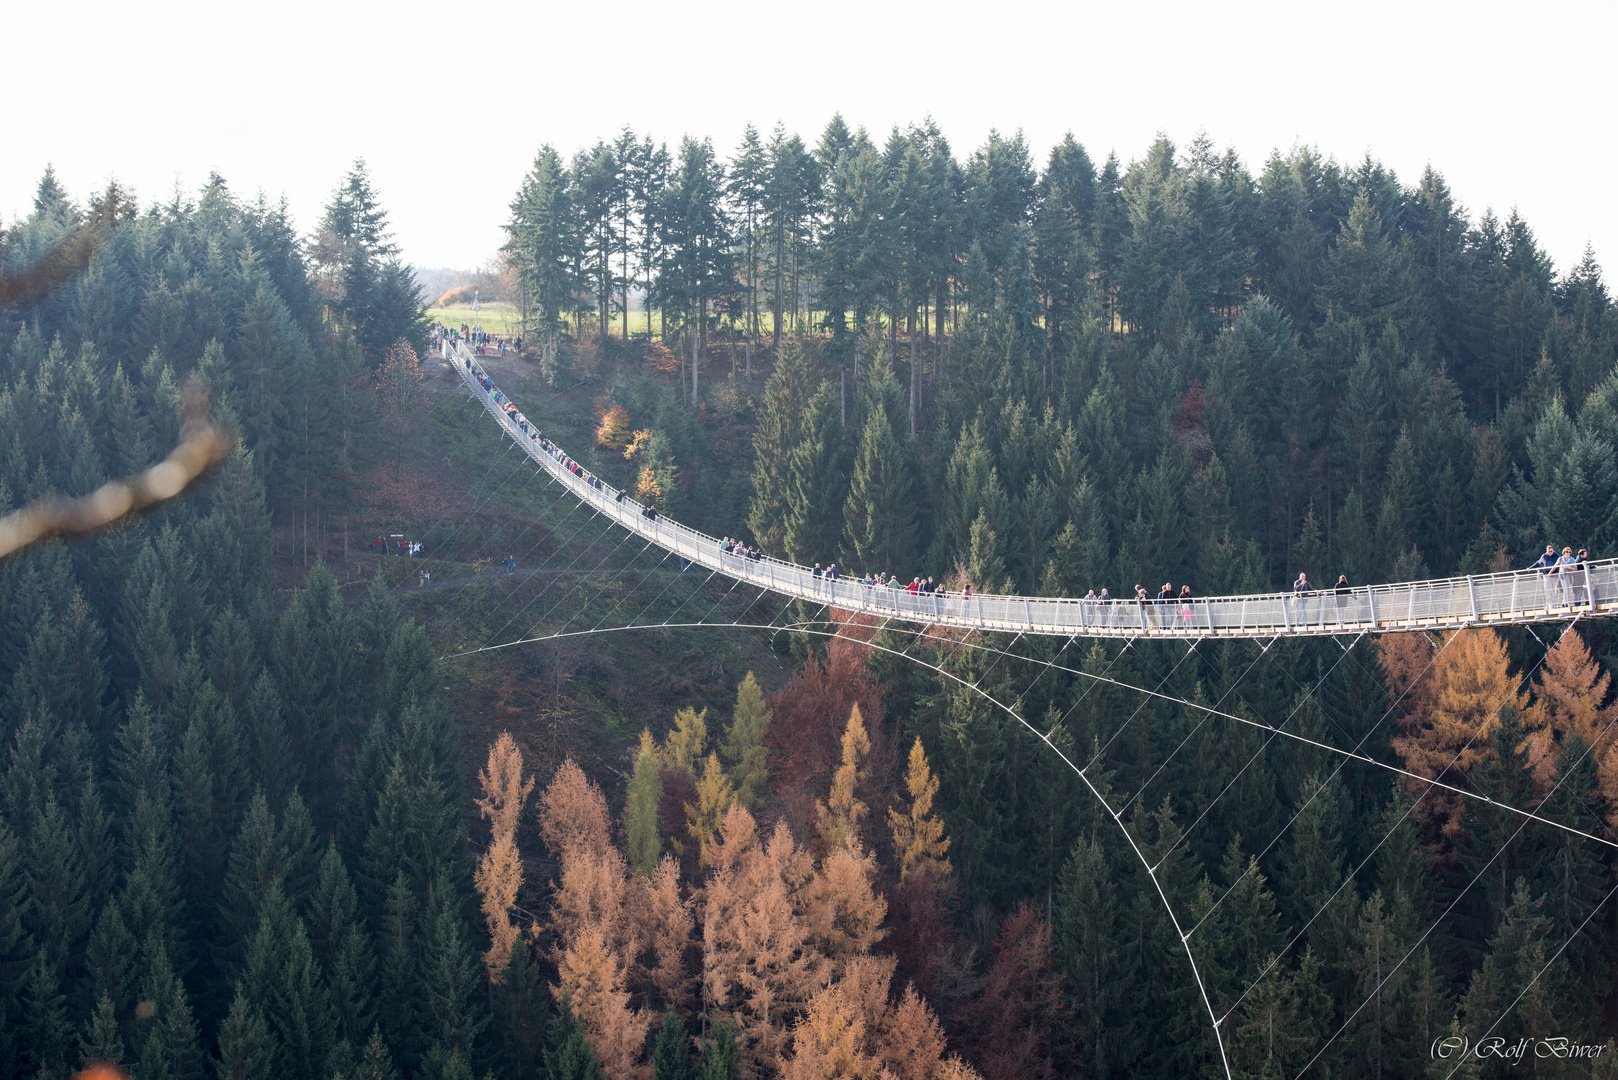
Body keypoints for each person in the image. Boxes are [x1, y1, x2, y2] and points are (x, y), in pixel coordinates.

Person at [1533, 544, 1559, 610]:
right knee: (1547, 590)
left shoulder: (1556, 556)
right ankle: (1549, 605)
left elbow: (1558, 566)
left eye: (1551, 551)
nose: (1550, 553)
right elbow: (1538, 563)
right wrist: (1530, 568)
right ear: (1547, 551)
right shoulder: (1544, 556)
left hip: (1553, 576)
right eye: (1549, 551)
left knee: (1552, 590)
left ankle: (1552, 605)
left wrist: (1556, 576)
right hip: (1546, 576)